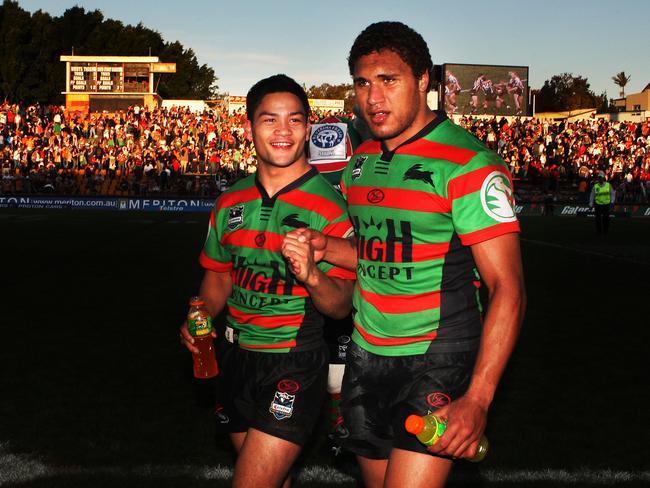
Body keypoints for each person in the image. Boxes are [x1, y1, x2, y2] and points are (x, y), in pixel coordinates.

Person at [284, 21, 526, 488]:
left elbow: (507, 287)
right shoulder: (358, 166)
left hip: (437, 360)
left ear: (423, 81)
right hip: (366, 357)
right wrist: (325, 246)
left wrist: (478, 397)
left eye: (388, 81)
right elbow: (376, 253)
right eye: (362, 83)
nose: (373, 99)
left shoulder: (470, 165)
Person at [180, 74, 355, 488]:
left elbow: (341, 306)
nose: (282, 131)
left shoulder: (329, 207)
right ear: (248, 128)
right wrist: (199, 316)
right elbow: (219, 277)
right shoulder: (229, 202)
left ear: (308, 128)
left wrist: (312, 276)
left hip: (294, 362)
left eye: (294, 120)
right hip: (234, 359)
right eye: (269, 120)